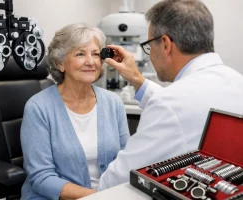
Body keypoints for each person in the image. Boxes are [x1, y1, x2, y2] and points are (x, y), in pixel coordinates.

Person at [98, 0, 243, 190]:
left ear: (165, 44)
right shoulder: (236, 81)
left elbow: (115, 181)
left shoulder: (169, 104)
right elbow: (186, 110)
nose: (149, 55)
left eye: (149, 46)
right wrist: (137, 80)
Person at [20, 23, 130, 199]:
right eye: (80, 54)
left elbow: (127, 159)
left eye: (95, 54)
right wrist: (97, 196)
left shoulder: (113, 103)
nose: (91, 61)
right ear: (60, 63)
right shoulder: (38, 108)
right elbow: (41, 178)